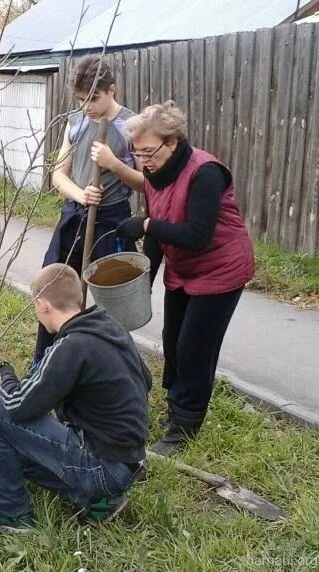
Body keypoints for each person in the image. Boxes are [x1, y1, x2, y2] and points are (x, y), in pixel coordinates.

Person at [93, 101, 254, 456]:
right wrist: (142, 280)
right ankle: (175, 408)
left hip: (221, 268)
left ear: (173, 142)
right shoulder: (154, 174)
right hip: (184, 270)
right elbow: (157, 233)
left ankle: (185, 426)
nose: (142, 161)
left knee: (195, 346)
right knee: (172, 340)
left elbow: (197, 233)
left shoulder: (205, 173)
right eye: (136, 153)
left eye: (148, 152)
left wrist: (147, 224)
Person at [0, 263, 152, 534]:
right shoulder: (109, 326)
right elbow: (146, 381)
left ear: (42, 304)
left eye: (35, 306)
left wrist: (4, 375)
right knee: (20, 442)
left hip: (102, 466)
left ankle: (10, 515)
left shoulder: (71, 345)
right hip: (128, 461)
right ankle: (99, 500)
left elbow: (19, 405)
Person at [34, 55, 138, 368]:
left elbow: (148, 184)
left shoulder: (131, 127)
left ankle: (113, 370)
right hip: (75, 215)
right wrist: (81, 194)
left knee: (112, 301)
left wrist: (114, 164)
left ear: (112, 90)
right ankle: (46, 363)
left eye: (93, 98)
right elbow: (57, 174)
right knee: (54, 288)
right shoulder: (76, 123)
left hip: (112, 220)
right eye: (81, 99)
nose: (87, 106)